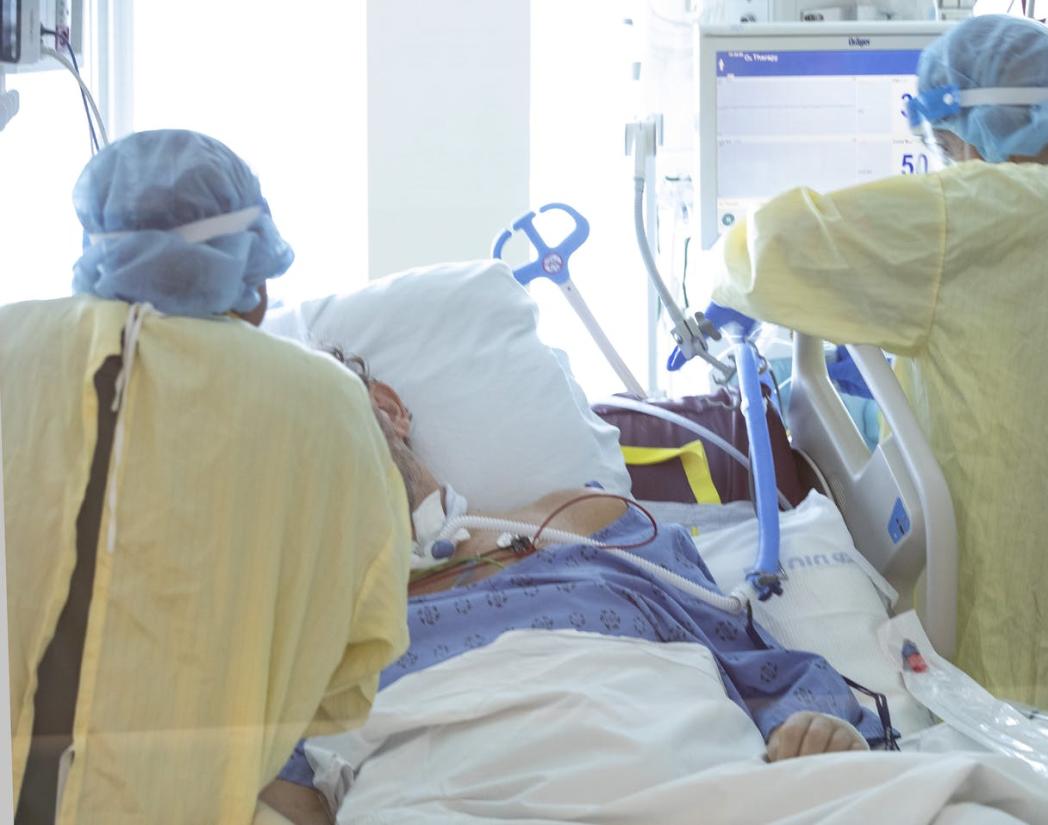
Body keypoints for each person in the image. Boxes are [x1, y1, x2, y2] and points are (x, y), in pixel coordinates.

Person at [712, 14, 1048, 749]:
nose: (946, 164)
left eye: (943, 146)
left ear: (973, 128)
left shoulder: (1001, 207)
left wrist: (717, 273)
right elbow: (1039, 370)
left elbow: (781, 243)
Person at [259, 358, 889, 825]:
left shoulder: (584, 518)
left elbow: (755, 666)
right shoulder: (287, 644)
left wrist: (817, 729)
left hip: (707, 788)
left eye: (319, 413)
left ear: (387, 406)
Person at [0, 130, 411, 824]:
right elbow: (349, 678)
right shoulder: (326, 405)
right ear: (251, 271)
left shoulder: (11, 347)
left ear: (96, 244)